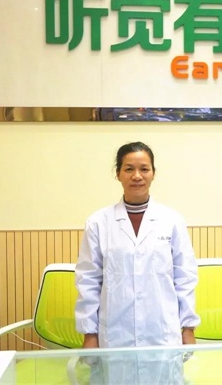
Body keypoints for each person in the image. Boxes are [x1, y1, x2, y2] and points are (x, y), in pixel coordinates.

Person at [75, 141, 200, 349]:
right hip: (116, 333)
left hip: (161, 331)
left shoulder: (172, 220)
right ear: (118, 174)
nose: (137, 176)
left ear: (153, 173)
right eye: (129, 169)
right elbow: (88, 280)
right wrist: (89, 333)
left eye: (144, 169)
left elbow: (185, 277)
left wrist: (188, 328)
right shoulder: (98, 223)